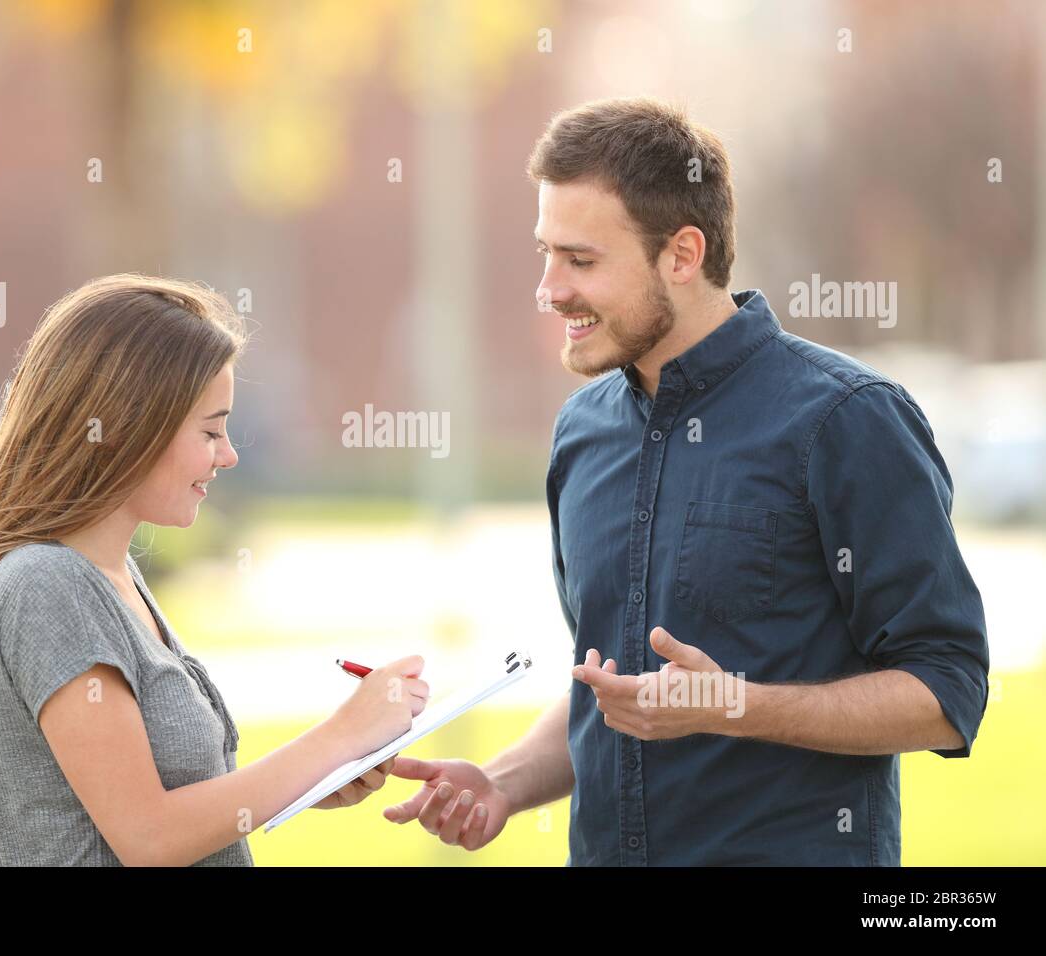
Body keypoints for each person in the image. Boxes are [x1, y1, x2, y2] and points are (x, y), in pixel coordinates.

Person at [383, 98, 990, 865]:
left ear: (682, 254)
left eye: (581, 260)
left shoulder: (846, 420)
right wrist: (502, 783)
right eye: (546, 253)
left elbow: (948, 690)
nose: (549, 288)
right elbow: (614, 694)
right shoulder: (582, 434)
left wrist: (735, 704)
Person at [0, 274, 426, 866]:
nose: (228, 454)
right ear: (128, 425)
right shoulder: (46, 587)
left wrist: (315, 776)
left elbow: (160, 808)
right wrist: (339, 736)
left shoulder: (110, 577)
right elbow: (149, 838)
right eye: (210, 430)